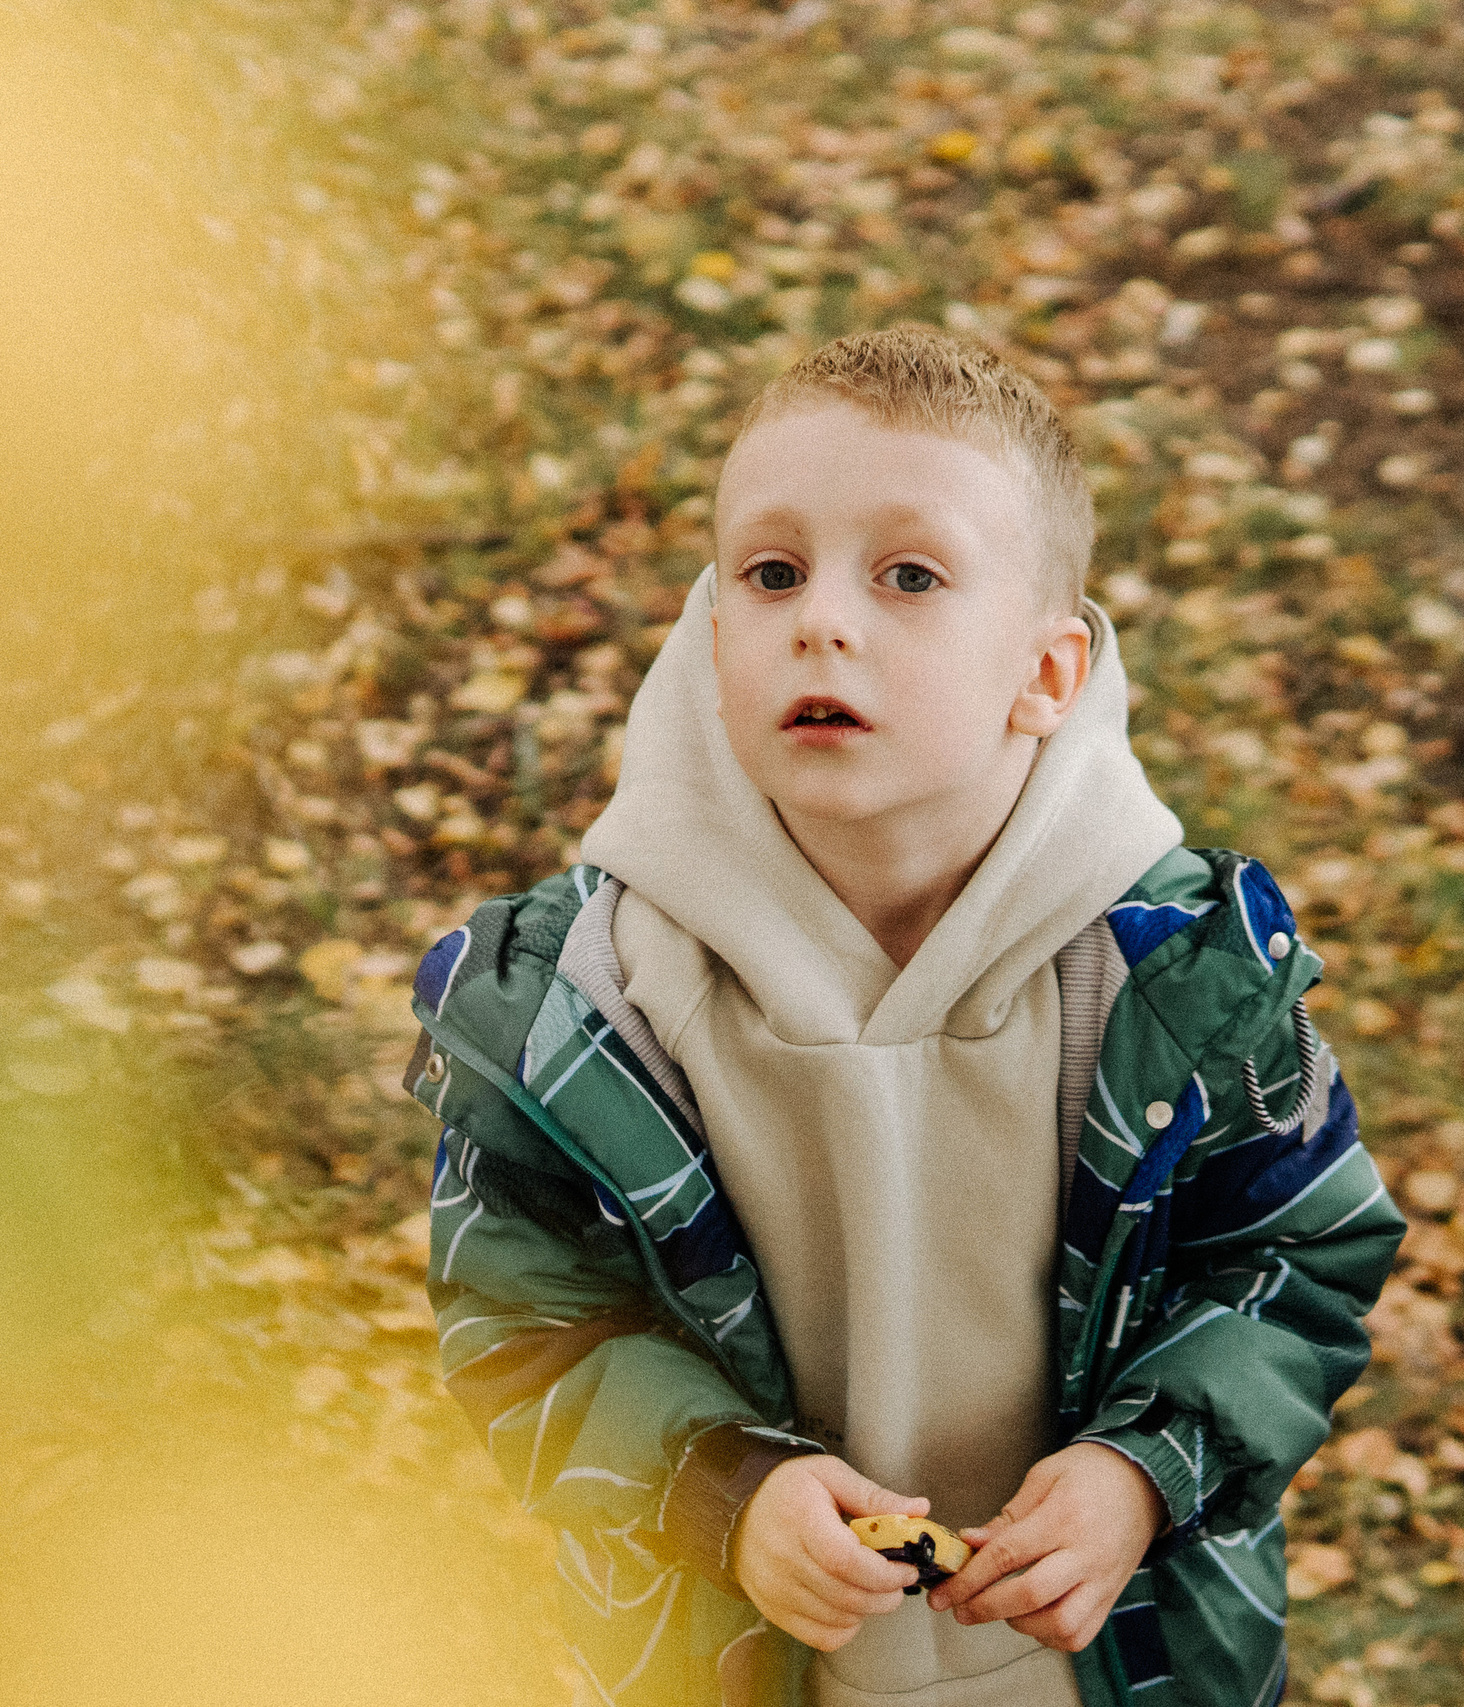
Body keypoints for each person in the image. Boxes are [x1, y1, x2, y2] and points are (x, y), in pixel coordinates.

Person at [404, 326, 1402, 1707]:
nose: (821, 616)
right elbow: (524, 1319)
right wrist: (725, 1489)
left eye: (910, 574)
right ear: (710, 633)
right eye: (770, 572)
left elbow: (1296, 1253)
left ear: (1047, 674)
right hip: (735, 1660)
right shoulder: (589, 1002)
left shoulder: (1174, 978)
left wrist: (1142, 1467)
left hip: (1123, 1659)